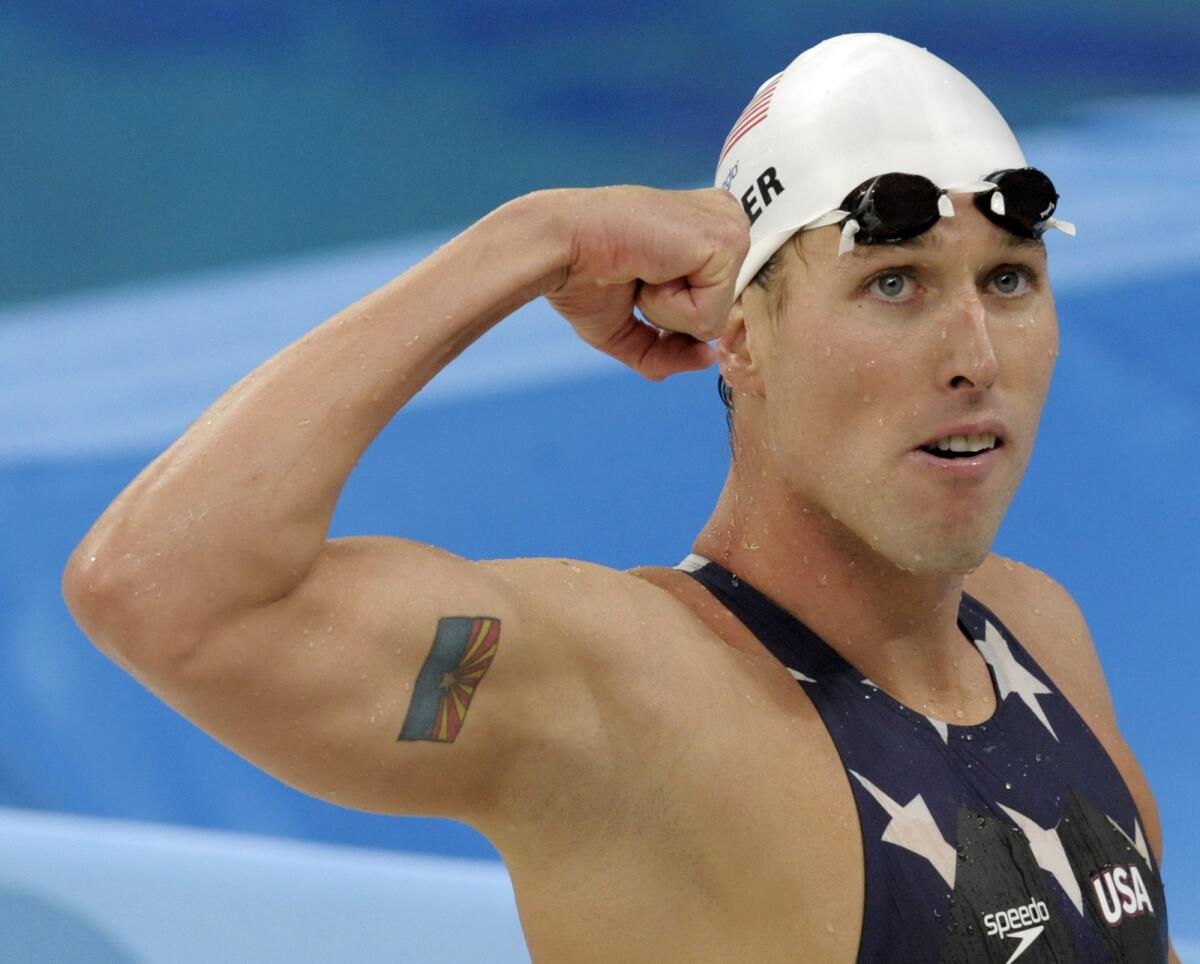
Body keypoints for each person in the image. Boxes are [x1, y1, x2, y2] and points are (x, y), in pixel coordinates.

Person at [63, 33, 1176, 963]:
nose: (975, 354)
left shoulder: (1038, 639)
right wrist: (534, 238)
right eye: (895, 282)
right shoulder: (629, 701)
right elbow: (160, 591)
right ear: (742, 338)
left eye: (1008, 280)